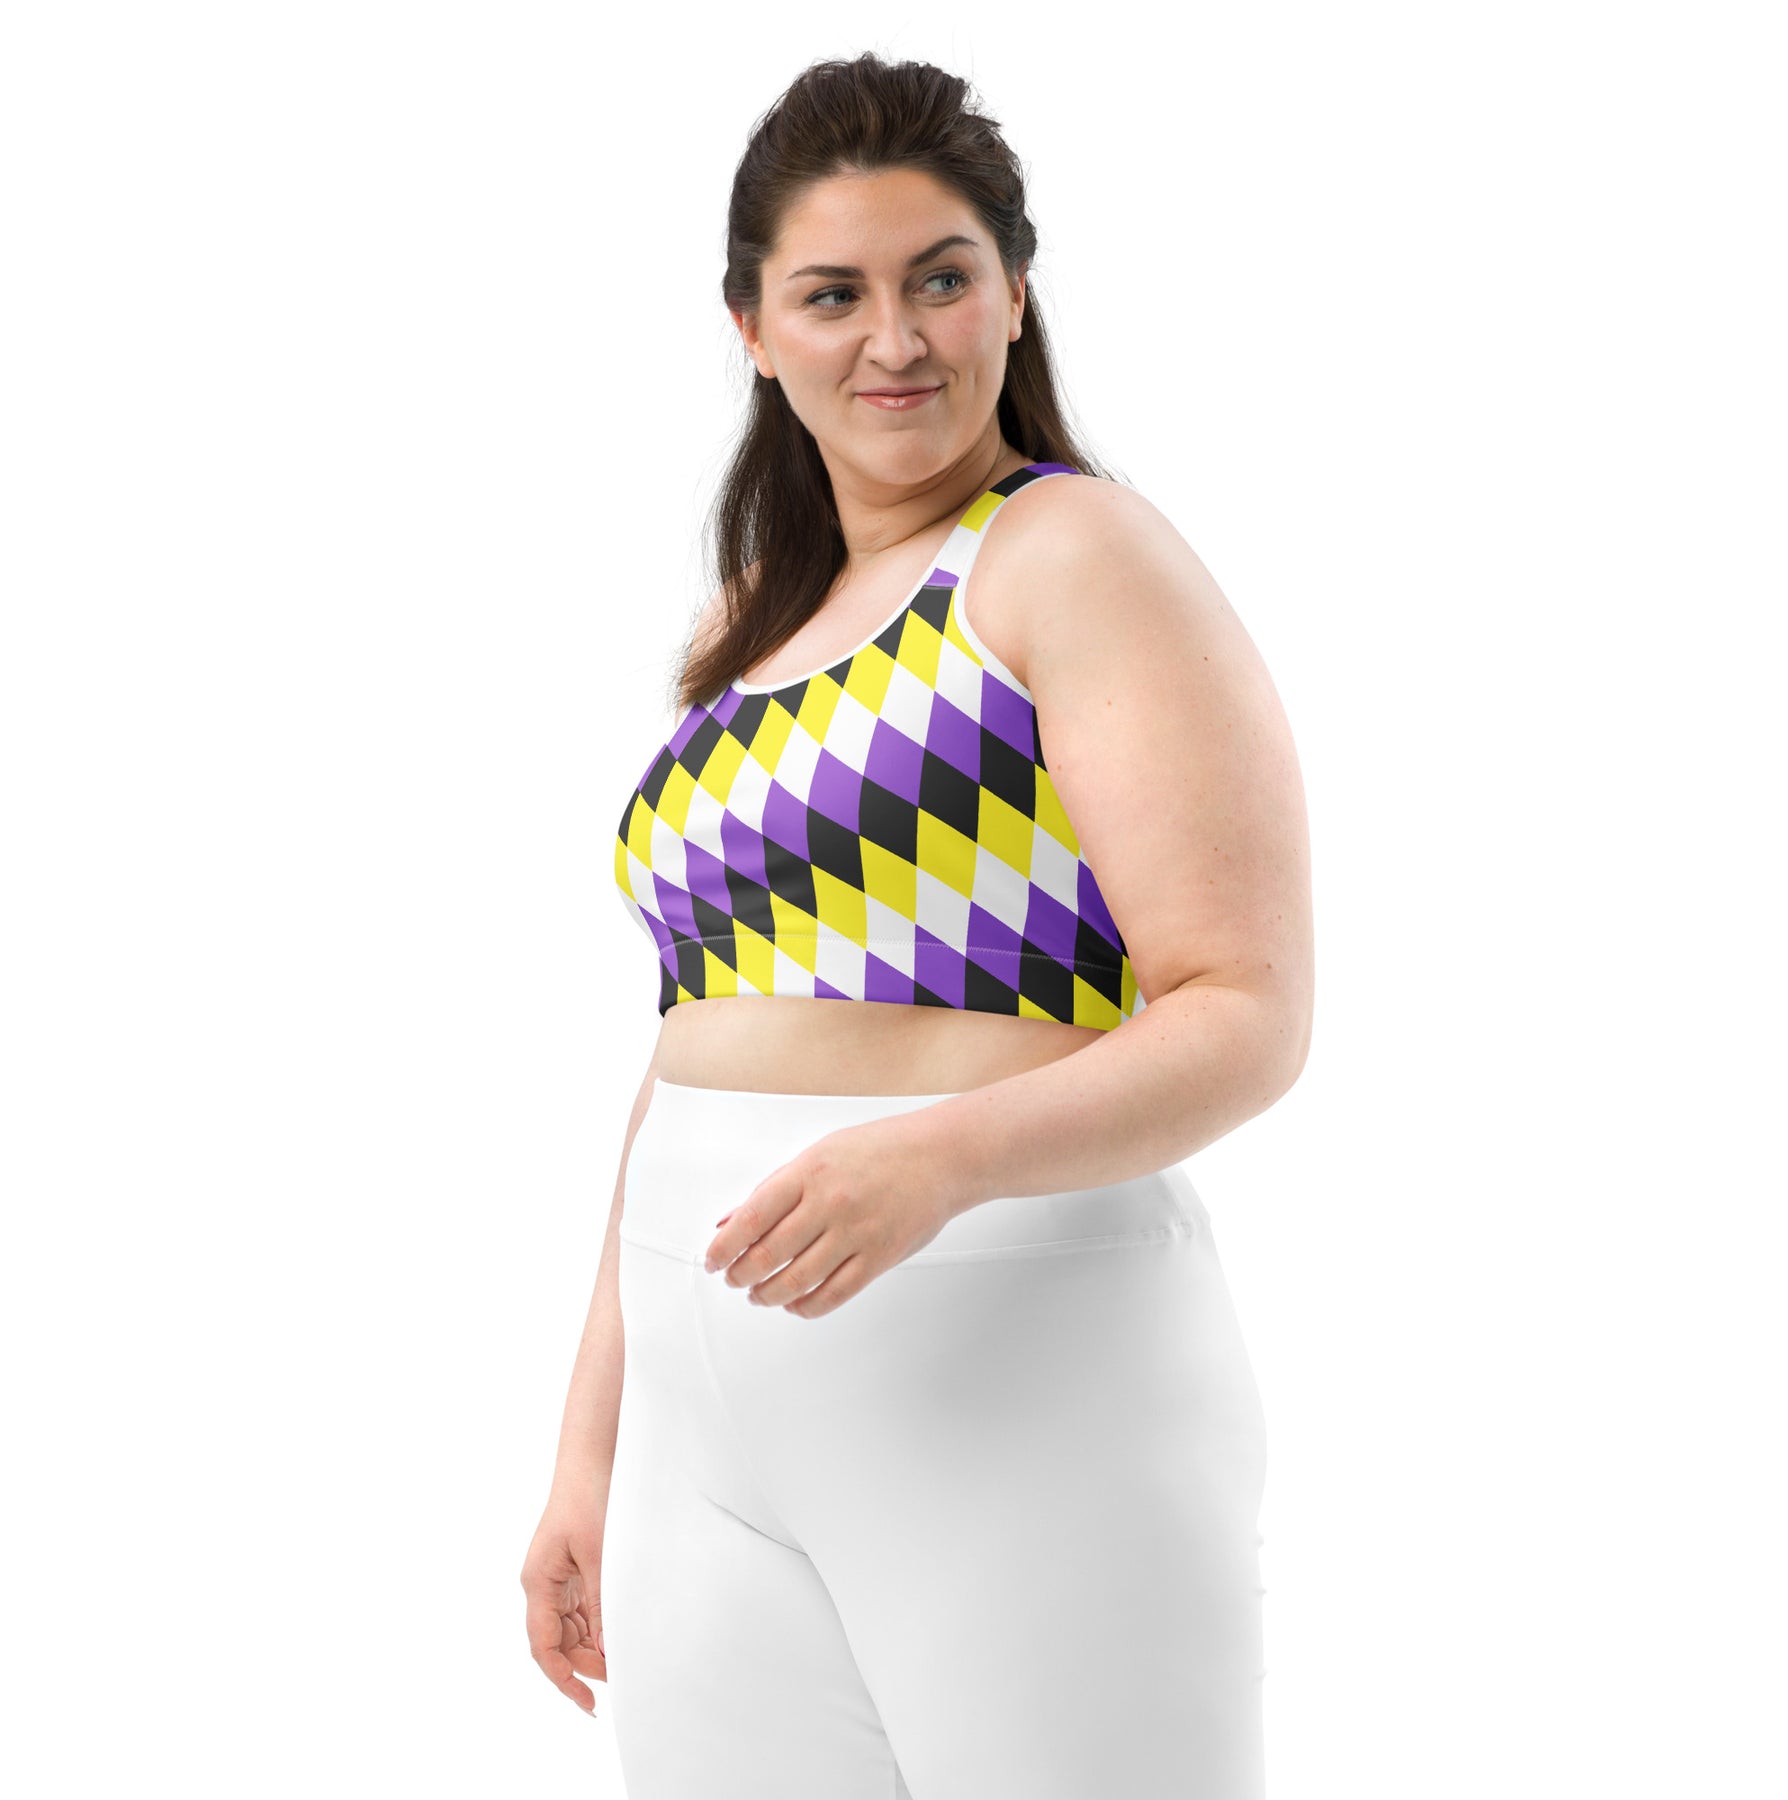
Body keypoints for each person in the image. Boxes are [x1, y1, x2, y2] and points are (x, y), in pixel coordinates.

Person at [521, 49, 1312, 1800]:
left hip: (1008, 1361)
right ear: (753, 328)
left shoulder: (1065, 556)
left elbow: (1244, 1010)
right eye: (834, 294)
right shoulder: (753, 626)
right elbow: (687, 1051)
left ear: (1014, 296)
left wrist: (937, 1161)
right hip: (705, 1424)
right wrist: (592, 1446)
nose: (895, 338)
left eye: (940, 279)